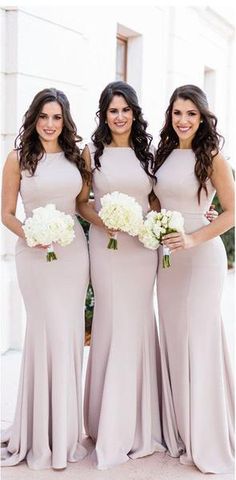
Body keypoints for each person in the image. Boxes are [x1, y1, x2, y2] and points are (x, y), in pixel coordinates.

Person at [77, 81, 166, 469]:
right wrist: (105, 222)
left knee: (138, 324)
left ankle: (139, 425)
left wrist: (190, 216)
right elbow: (81, 203)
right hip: (108, 247)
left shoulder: (148, 153)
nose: (120, 116)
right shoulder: (90, 153)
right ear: (104, 114)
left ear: (134, 112)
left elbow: (157, 199)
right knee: (113, 324)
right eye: (113, 110)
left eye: (126, 109)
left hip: (142, 249)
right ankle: (106, 423)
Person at [1, 88, 90, 469]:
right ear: (33, 118)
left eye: (56, 117)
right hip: (34, 255)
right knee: (44, 333)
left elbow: (87, 205)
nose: (50, 125)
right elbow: (6, 213)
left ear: (65, 121)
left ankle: (65, 433)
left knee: (69, 335)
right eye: (43, 117)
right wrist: (32, 236)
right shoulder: (17, 158)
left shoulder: (78, 156)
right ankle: (38, 433)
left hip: (73, 256)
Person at [153, 84, 235, 474]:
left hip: (201, 256)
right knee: (173, 339)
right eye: (177, 113)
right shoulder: (164, 153)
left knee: (199, 340)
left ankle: (207, 434)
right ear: (170, 116)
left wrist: (193, 235)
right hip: (168, 257)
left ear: (202, 118)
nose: (183, 120)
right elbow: (157, 199)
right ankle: (181, 427)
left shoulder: (212, 156)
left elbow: (231, 212)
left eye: (191, 114)